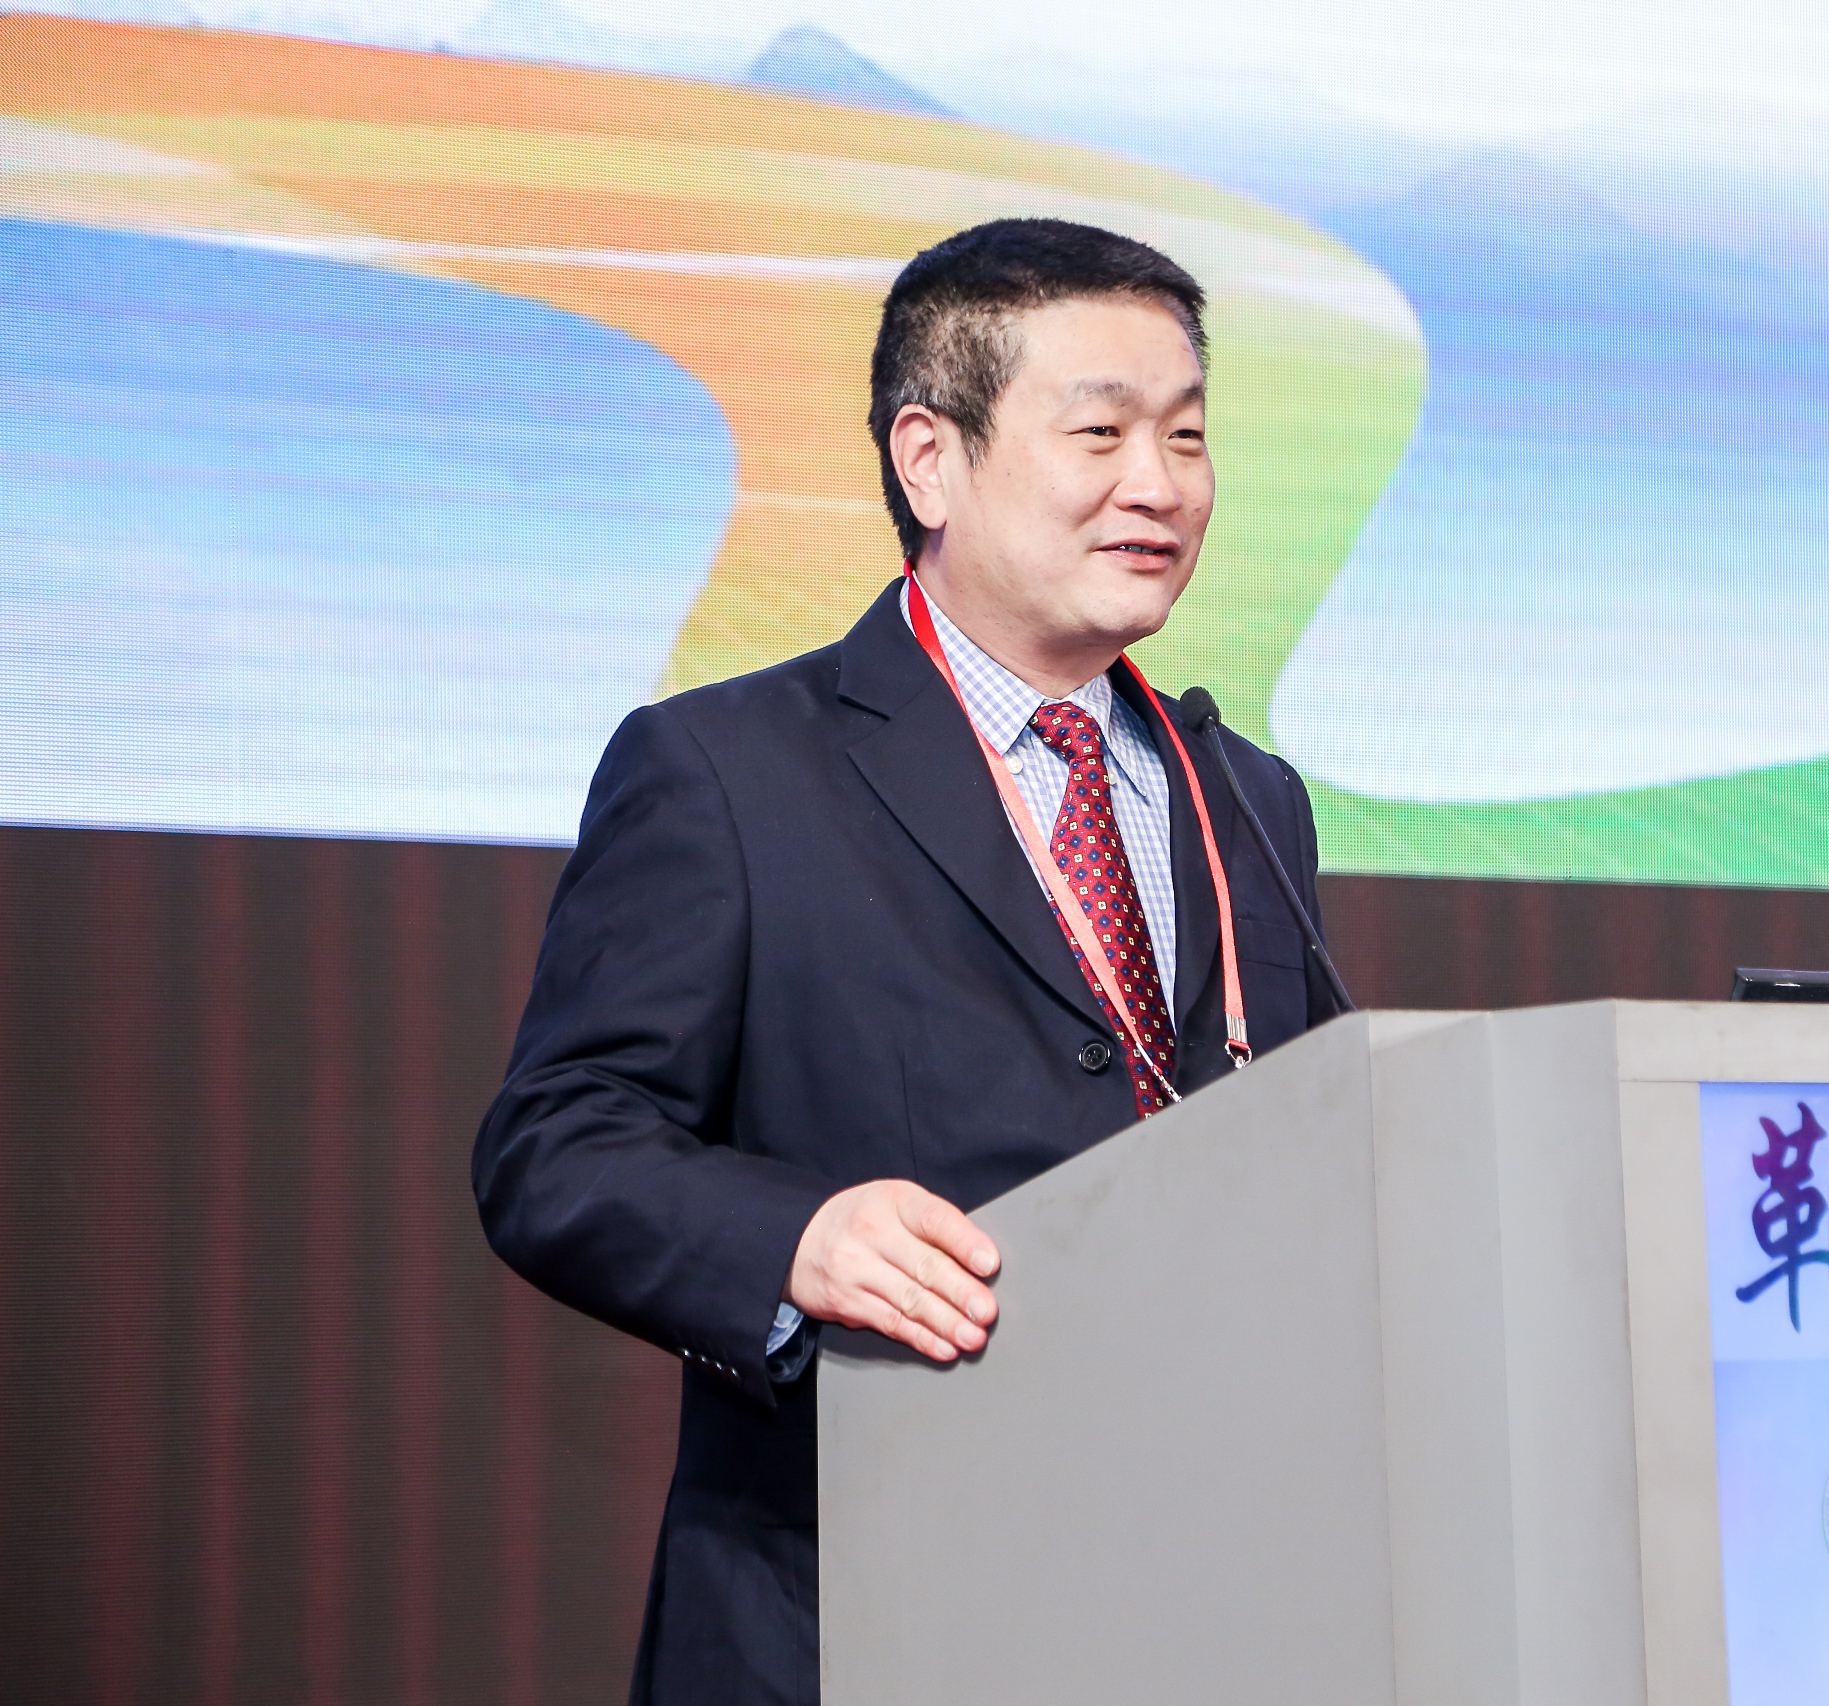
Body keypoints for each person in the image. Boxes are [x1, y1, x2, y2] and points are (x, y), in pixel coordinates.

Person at [472, 218, 1345, 1706]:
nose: (1160, 483)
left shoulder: (1244, 795)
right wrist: (794, 1240)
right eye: (1102, 433)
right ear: (929, 459)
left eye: (1188, 435)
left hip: (1212, 1591)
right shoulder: (729, 770)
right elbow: (557, 1144)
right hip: (857, 1598)